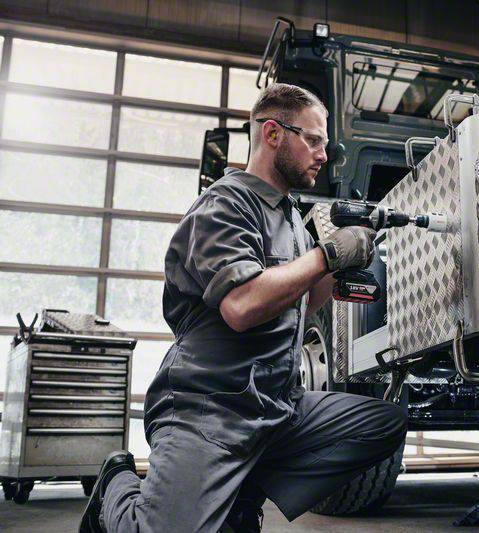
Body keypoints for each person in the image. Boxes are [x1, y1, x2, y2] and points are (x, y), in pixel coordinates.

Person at [80, 83, 408, 533]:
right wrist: (326, 256)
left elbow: (303, 305)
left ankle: (241, 494)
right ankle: (114, 489)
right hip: (210, 405)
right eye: (313, 141)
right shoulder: (225, 204)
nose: (324, 155)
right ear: (273, 134)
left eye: (325, 144)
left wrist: (340, 263)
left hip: (274, 408)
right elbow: (242, 304)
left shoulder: (291, 216)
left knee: (382, 424)